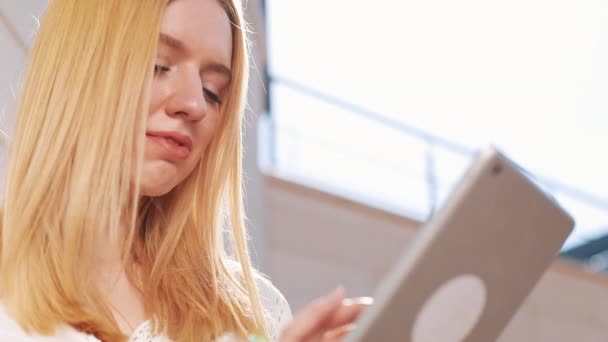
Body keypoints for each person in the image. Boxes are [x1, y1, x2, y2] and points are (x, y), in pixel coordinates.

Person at [0, 0, 369, 341]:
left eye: (213, 91)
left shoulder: (252, 312)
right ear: (76, 70)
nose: (194, 104)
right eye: (158, 65)